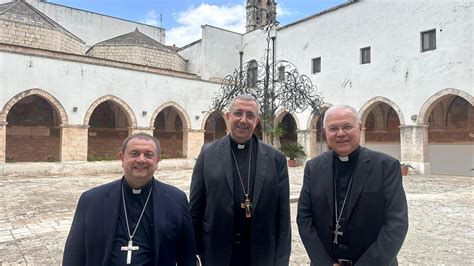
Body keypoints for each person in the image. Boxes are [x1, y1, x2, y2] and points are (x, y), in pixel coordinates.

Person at [297, 104, 408, 266]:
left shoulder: (386, 166)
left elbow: (397, 222)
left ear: (360, 128)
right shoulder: (313, 167)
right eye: (333, 128)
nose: (341, 133)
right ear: (325, 132)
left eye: (347, 127)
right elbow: (304, 218)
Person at [63, 133, 196, 266]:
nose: (141, 160)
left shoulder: (176, 199)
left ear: (157, 161)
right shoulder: (91, 200)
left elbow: (187, 255)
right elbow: (74, 254)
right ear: (122, 157)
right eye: (134, 153)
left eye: (149, 155)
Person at [189, 95, 291, 266]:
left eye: (250, 115)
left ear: (257, 120)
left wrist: (281, 261)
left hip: (261, 254)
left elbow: (283, 216)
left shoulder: (276, 159)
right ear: (228, 116)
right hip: (216, 253)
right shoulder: (208, 154)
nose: (243, 120)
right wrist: (193, 254)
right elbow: (195, 209)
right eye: (238, 113)